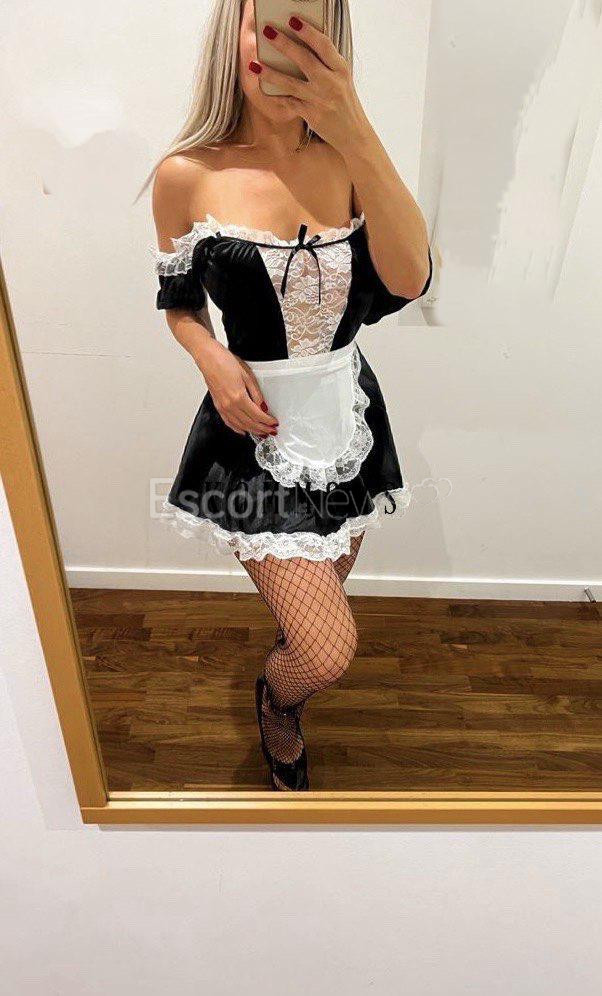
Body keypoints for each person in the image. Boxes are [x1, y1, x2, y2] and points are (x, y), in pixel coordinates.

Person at [146, 0, 432, 791]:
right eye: (267, 21)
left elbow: (412, 278)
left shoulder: (350, 160)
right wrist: (208, 355)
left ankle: (287, 680)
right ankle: (278, 702)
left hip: (350, 425)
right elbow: (179, 303)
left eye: (308, 23)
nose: (285, 44)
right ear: (233, 32)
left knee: (316, 617)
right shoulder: (186, 174)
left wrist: (355, 126)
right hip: (253, 440)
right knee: (326, 650)